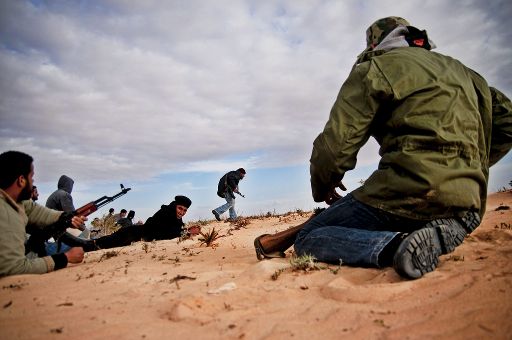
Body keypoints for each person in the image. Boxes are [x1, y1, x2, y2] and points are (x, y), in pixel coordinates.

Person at [254, 16, 512, 280]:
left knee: (309, 237)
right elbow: (508, 122)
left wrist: (323, 187)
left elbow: (334, 148)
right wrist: (466, 168)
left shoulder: (376, 68)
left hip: (404, 193)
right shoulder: (468, 75)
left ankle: (398, 246)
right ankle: (443, 226)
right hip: (468, 199)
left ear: (375, 44)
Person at [0, 151, 87, 277]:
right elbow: (13, 268)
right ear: (21, 180)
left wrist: (67, 219)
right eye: (32, 177)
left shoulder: (17, 201)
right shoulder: (5, 212)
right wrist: (65, 258)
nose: (33, 181)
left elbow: (39, 212)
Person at [68, 195, 194, 251]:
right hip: (132, 234)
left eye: (185, 210)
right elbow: (165, 233)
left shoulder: (176, 220)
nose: (182, 212)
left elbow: (172, 231)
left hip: (133, 237)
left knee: (100, 244)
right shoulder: (165, 213)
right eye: (180, 208)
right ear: (174, 206)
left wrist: (186, 231)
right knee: (98, 244)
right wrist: (186, 232)